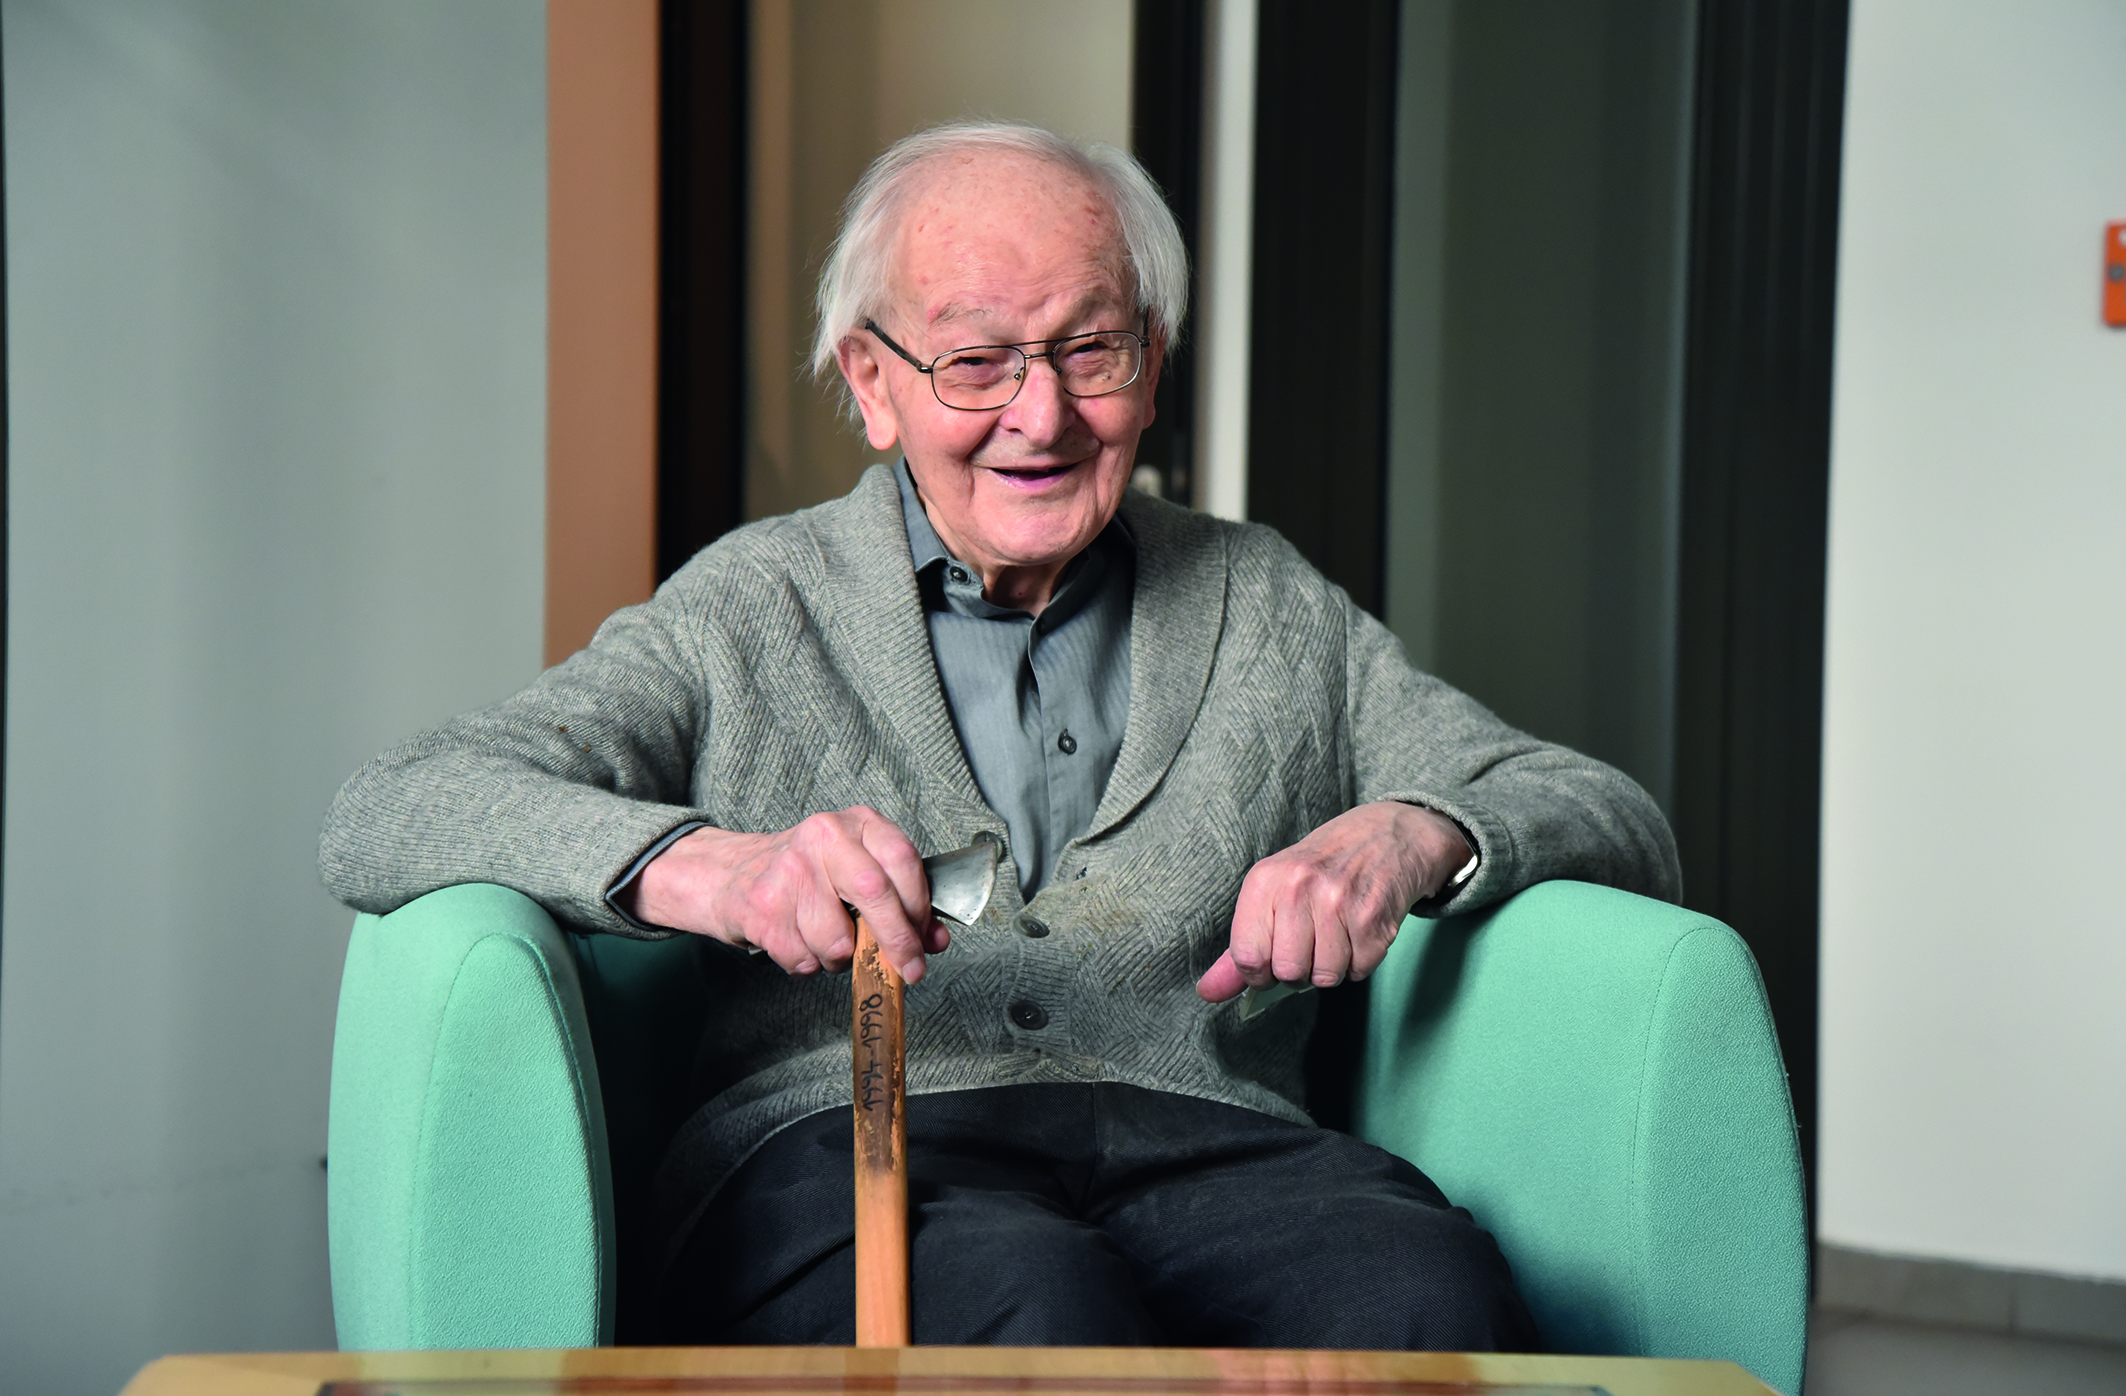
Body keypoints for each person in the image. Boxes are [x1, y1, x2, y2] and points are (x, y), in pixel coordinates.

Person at [319, 121, 1679, 1351]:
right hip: (850, 1153)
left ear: (1151, 363)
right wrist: (714, 868)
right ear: (872, 381)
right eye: (975, 361)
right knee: (1028, 1318)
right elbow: (394, 806)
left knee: (1421, 1299)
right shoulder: (753, 604)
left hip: (1224, 1155)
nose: (1042, 416)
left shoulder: (1265, 600)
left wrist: (1408, 833)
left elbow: (1600, 808)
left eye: (1092, 350)